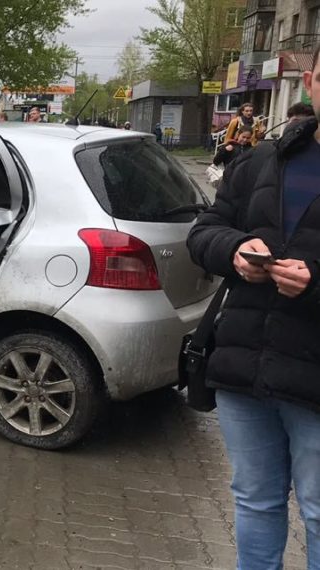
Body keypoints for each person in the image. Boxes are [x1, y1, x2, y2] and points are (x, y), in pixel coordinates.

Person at [186, 43, 320, 570]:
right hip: (245, 368)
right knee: (254, 502)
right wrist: (234, 251)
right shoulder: (264, 157)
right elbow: (206, 230)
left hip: (314, 381)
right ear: (310, 79)